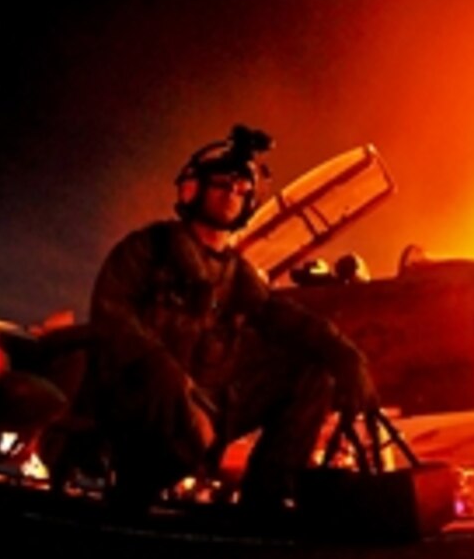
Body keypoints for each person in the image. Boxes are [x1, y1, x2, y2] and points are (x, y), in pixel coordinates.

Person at [88, 124, 376, 513]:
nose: (232, 196)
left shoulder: (237, 274)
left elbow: (279, 315)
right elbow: (111, 313)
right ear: (193, 190)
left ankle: (267, 500)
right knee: (173, 411)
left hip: (209, 401)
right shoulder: (148, 249)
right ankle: (135, 489)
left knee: (312, 370)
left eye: (242, 190)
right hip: (145, 405)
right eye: (222, 185)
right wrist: (165, 374)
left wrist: (343, 353)